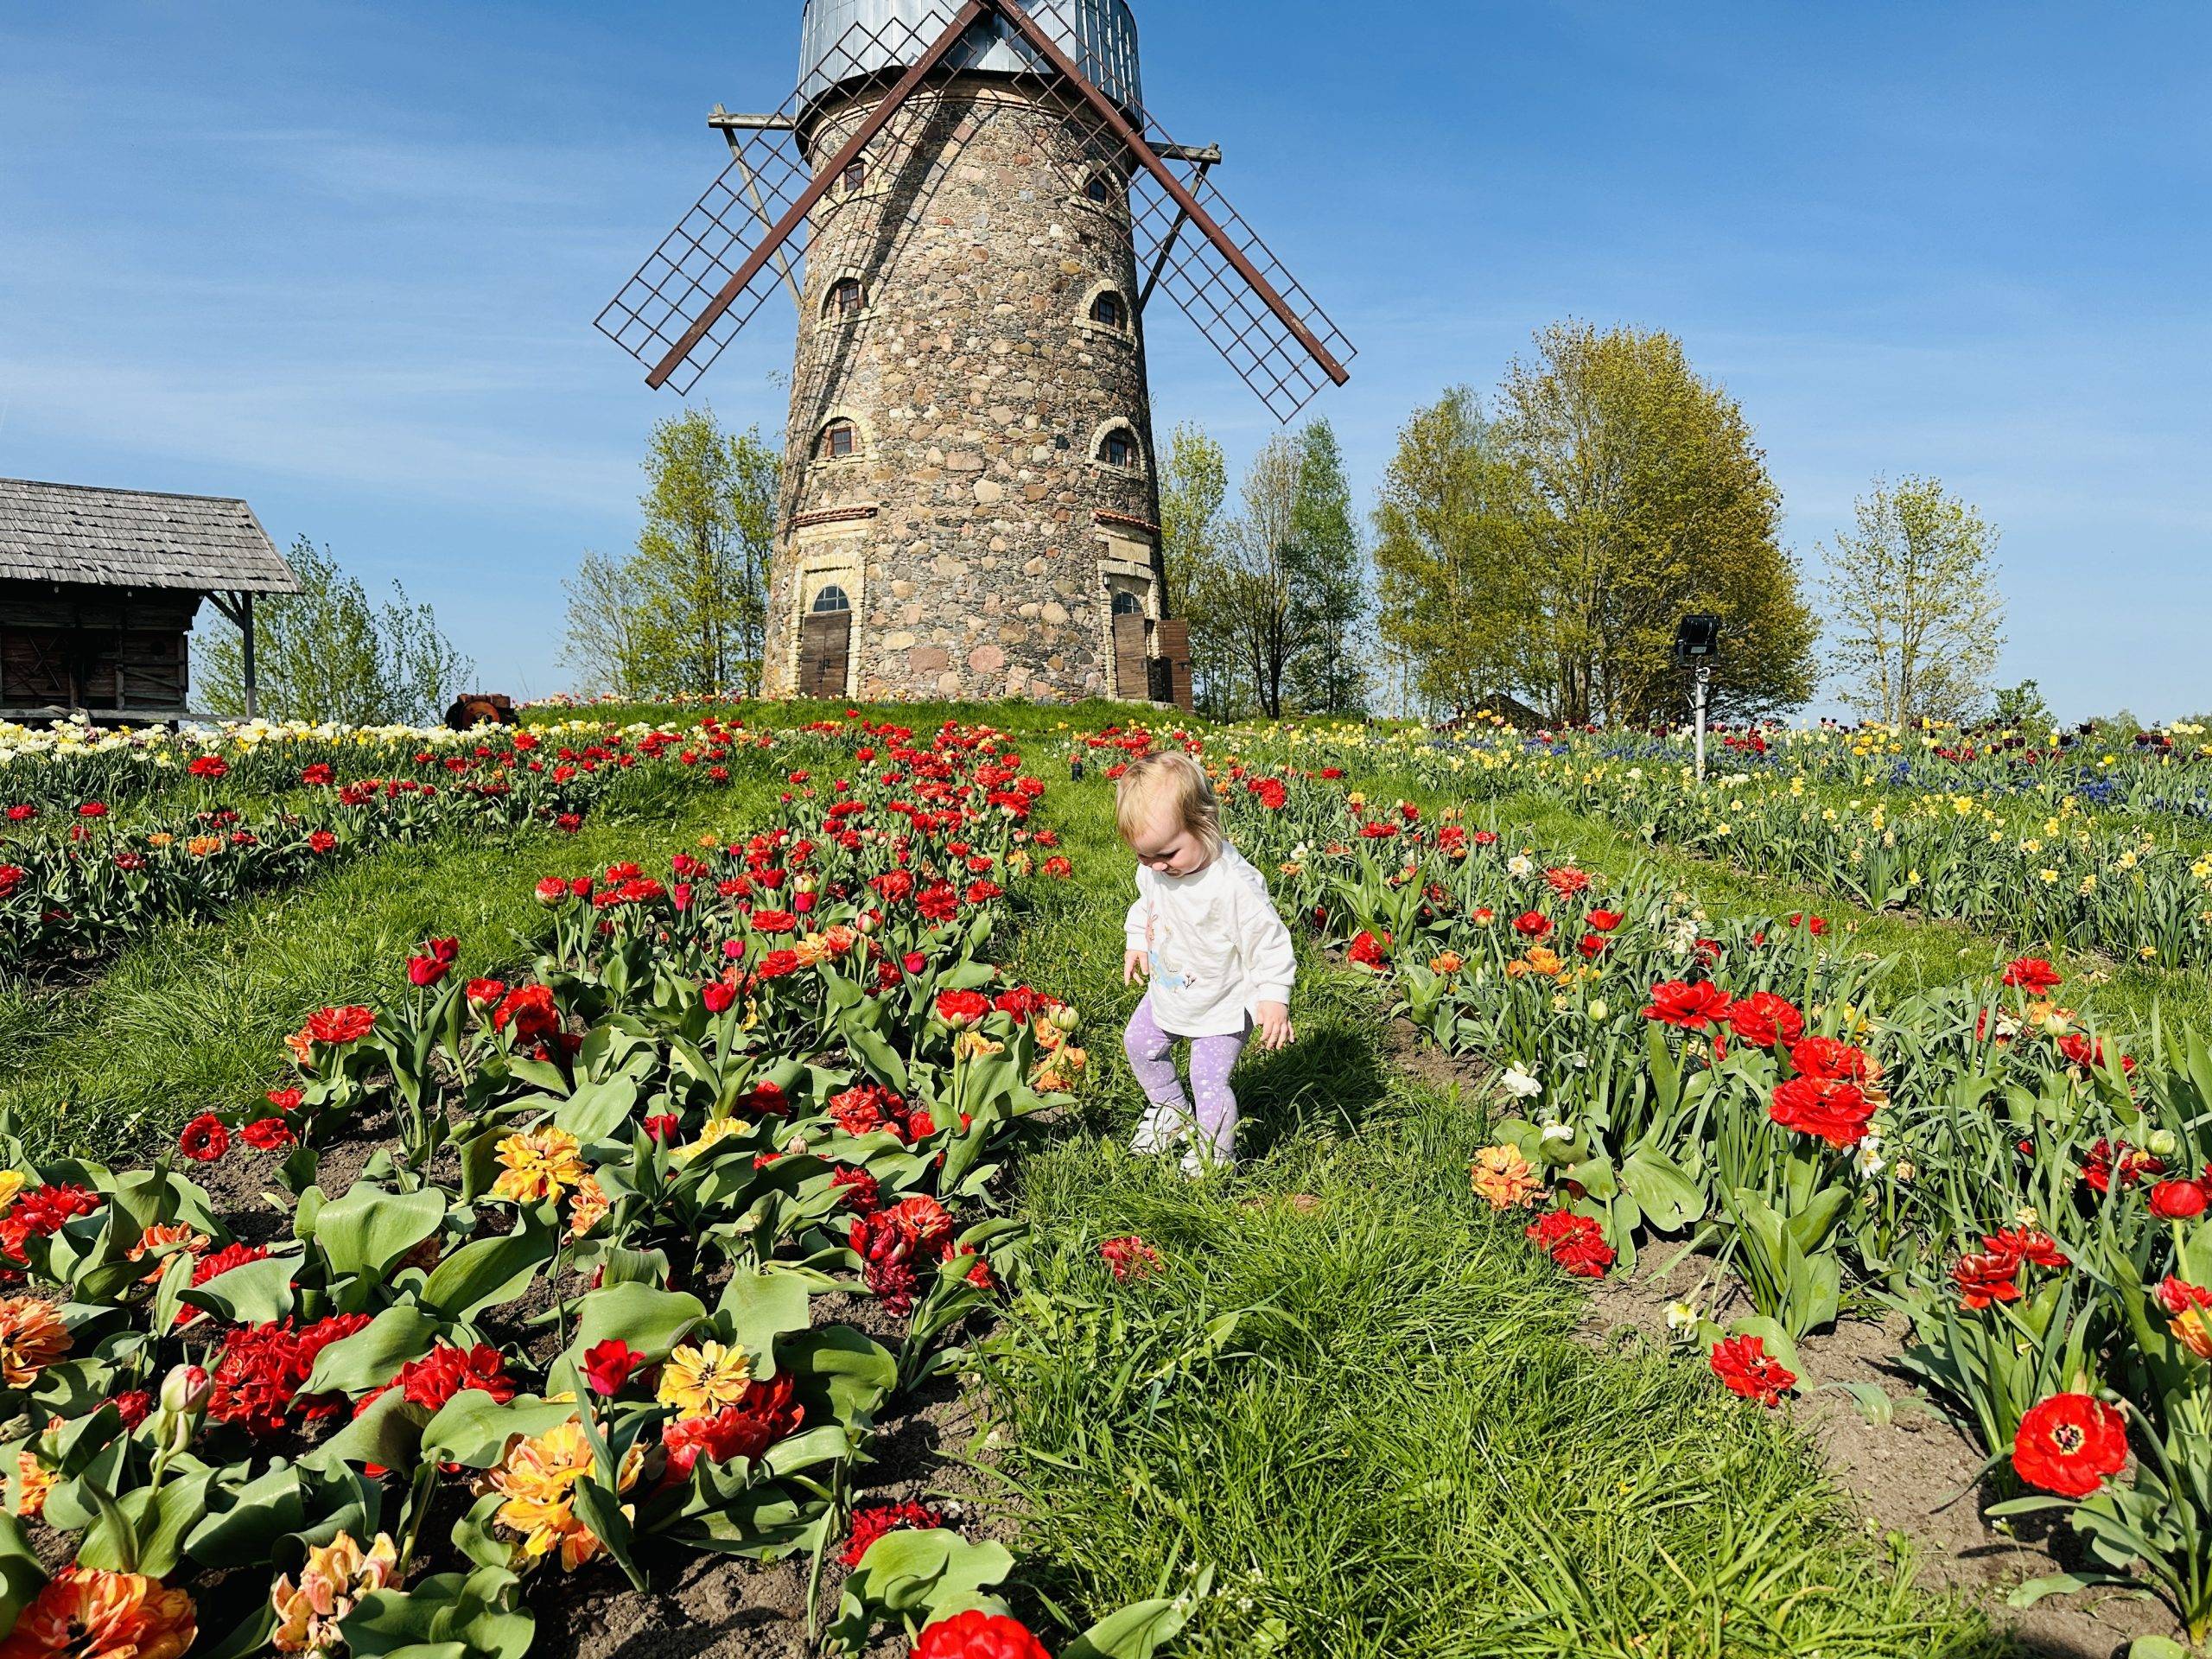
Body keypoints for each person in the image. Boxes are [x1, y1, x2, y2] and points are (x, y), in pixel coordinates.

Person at [1116, 750, 1296, 1175]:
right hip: (1170, 991)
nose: (1157, 866)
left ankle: (1214, 1153)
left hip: (1221, 1005)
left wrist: (1273, 997)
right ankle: (1170, 1112)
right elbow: (1146, 903)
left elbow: (1268, 942)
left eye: (1168, 854)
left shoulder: (1233, 886)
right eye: (1145, 857)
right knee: (1139, 1045)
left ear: (1204, 823)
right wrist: (1136, 941)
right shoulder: (1156, 869)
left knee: (1208, 1082)